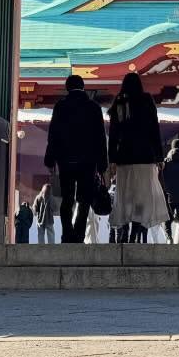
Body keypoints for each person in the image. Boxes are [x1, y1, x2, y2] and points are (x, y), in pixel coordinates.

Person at [43, 74, 107, 244]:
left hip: (66, 160)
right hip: (88, 161)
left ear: (67, 87)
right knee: (84, 199)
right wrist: (102, 163)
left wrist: (50, 160)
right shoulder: (93, 107)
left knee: (67, 198)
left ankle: (67, 233)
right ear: (83, 87)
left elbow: (53, 135)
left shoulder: (61, 106)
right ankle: (78, 234)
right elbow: (100, 137)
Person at [106, 72, 166, 246]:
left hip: (125, 157)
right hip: (145, 158)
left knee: (126, 196)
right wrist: (159, 156)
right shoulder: (146, 100)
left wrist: (112, 160)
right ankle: (135, 231)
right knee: (142, 198)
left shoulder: (120, 102)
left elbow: (114, 133)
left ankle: (123, 230)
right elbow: (154, 129)